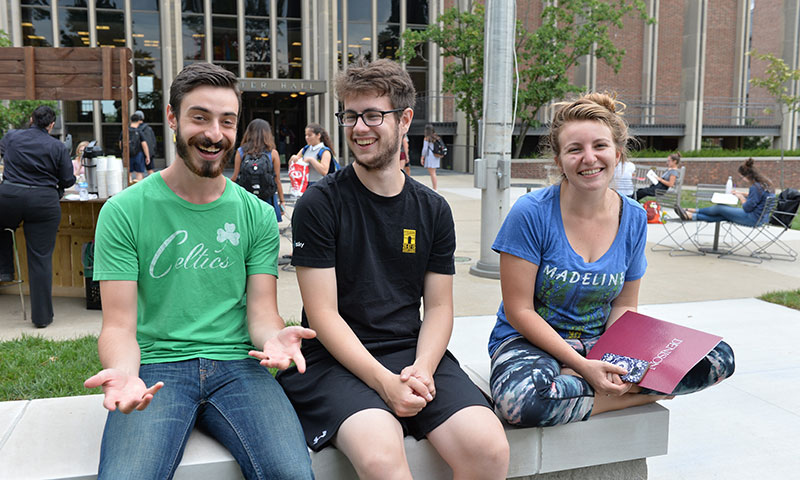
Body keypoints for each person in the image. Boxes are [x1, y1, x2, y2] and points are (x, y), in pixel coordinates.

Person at [278, 59, 509, 480]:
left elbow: (439, 308)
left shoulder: (433, 209)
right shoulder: (320, 205)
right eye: (350, 115)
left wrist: (422, 367)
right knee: (382, 457)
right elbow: (323, 314)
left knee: (489, 449)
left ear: (404, 120)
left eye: (372, 115)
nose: (359, 128)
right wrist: (385, 382)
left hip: (412, 349)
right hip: (335, 358)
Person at [83, 62, 315, 480]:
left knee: (292, 474)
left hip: (240, 365)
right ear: (172, 118)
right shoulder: (123, 212)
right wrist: (123, 372)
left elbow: (262, 312)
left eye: (227, 121)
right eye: (199, 117)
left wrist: (273, 339)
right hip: (156, 369)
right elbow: (118, 325)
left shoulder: (258, 215)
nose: (214, 133)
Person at [488, 93, 735, 428]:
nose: (589, 158)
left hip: (600, 340)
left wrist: (608, 358)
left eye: (599, 146)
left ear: (617, 155)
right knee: (522, 403)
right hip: (532, 341)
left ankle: (591, 390)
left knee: (719, 358)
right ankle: (639, 395)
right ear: (559, 161)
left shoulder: (632, 217)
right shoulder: (530, 214)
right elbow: (520, 312)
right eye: (575, 149)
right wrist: (580, 363)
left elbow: (625, 306)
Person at [0, 105, 75, 328]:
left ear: (31, 119)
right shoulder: (57, 146)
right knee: (40, 259)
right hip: (43, 202)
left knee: (3, 228)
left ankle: (4, 268)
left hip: (10, 197)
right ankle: (42, 318)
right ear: (51, 125)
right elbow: (68, 180)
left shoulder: (12, 137)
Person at [675, 158, 775, 225]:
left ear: (747, 176)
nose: (743, 180)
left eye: (742, 177)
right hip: (762, 218)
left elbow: (747, 208)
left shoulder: (755, 187)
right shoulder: (766, 184)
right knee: (723, 215)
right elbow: (758, 197)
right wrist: (742, 193)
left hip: (752, 219)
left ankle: (691, 211)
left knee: (720, 208)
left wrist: (741, 197)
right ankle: (690, 215)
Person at [231, 118, 285, 222]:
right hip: (267, 197)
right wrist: (282, 201)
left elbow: (235, 177)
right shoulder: (272, 153)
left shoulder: (241, 152)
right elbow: (277, 179)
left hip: (246, 198)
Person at [118, 112, 150, 182]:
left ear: (131, 120)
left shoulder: (124, 131)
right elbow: (144, 144)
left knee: (128, 173)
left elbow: (120, 143)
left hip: (127, 155)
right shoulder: (139, 131)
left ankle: (129, 188)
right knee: (139, 173)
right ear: (139, 121)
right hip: (138, 155)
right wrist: (147, 156)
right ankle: (139, 190)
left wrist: (123, 152)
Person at [134, 109, 158, 175]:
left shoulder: (135, 130)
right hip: (150, 153)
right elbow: (153, 141)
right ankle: (154, 185)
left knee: (139, 172)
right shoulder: (149, 128)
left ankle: (141, 185)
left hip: (139, 153)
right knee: (150, 170)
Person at [420, 124, 441, 191]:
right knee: (433, 172)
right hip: (436, 156)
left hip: (430, 156)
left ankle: (435, 188)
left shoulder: (427, 138)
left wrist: (422, 156)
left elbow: (425, 149)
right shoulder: (436, 137)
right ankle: (435, 188)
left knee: (432, 173)